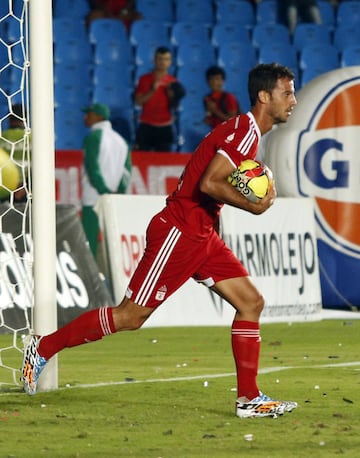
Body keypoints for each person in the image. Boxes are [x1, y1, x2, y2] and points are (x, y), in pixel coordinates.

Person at [21, 63, 298, 419]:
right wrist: (254, 205)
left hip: (201, 235)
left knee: (250, 303)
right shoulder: (245, 130)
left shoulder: (247, 132)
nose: (292, 99)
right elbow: (210, 183)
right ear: (264, 96)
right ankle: (43, 347)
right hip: (179, 232)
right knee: (130, 316)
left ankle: (249, 399)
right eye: (287, 93)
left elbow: (213, 183)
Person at [81, 103, 131, 258]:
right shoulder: (121, 140)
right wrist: (117, 192)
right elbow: (126, 171)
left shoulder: (93, 137)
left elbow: (92, 166)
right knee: (112, 239)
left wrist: (103, 189)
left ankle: (89, 277)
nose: (85, 117)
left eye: (89, 114)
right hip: (112, 197)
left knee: (89, 239)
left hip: (93, 196)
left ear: (98, 117)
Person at [134, 46, 185, 152]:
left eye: (166, 59)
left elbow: (175, 107)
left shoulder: (173, 82)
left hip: (165, 127)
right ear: (154, 60)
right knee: (141, 160)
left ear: (170, 62)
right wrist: (152, 90)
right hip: (146, 126)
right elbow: (138, 102)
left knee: (163, 164)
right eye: (160, 58)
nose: (163, 62)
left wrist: (172, 97)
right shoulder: (144, 79)